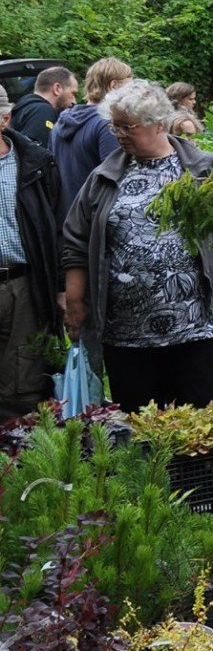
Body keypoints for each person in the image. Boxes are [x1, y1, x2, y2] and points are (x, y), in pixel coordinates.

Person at [59, 80, 213, 412]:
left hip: (196, 327)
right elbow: (76, 240)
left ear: (156, 123)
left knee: (196, 425)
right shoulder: (103, 177)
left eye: (126, 126)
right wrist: (75, 301)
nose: (118, 133)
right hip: (126, 334)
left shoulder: (203, 169)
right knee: (137, 427)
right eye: (114, 125)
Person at [0, 95, 62, 419]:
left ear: (5, 120)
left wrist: (62, 287)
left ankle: (15, 459)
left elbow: (58, 228)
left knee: (23, 381)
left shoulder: (36, 163)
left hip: (23, 283)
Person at [53, 58, 132, 213]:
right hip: (93, 220)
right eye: (130, 86)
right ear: (113, 85)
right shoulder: (107, 124)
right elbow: (115, 181)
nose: (133, 93)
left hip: (65, 221)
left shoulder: (60, 123)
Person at [11, 66, 72, 152]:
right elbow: (35, 156)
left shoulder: (26, 106)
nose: (74, 101)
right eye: (73, 93)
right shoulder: (42, 111)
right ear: (57, 88)